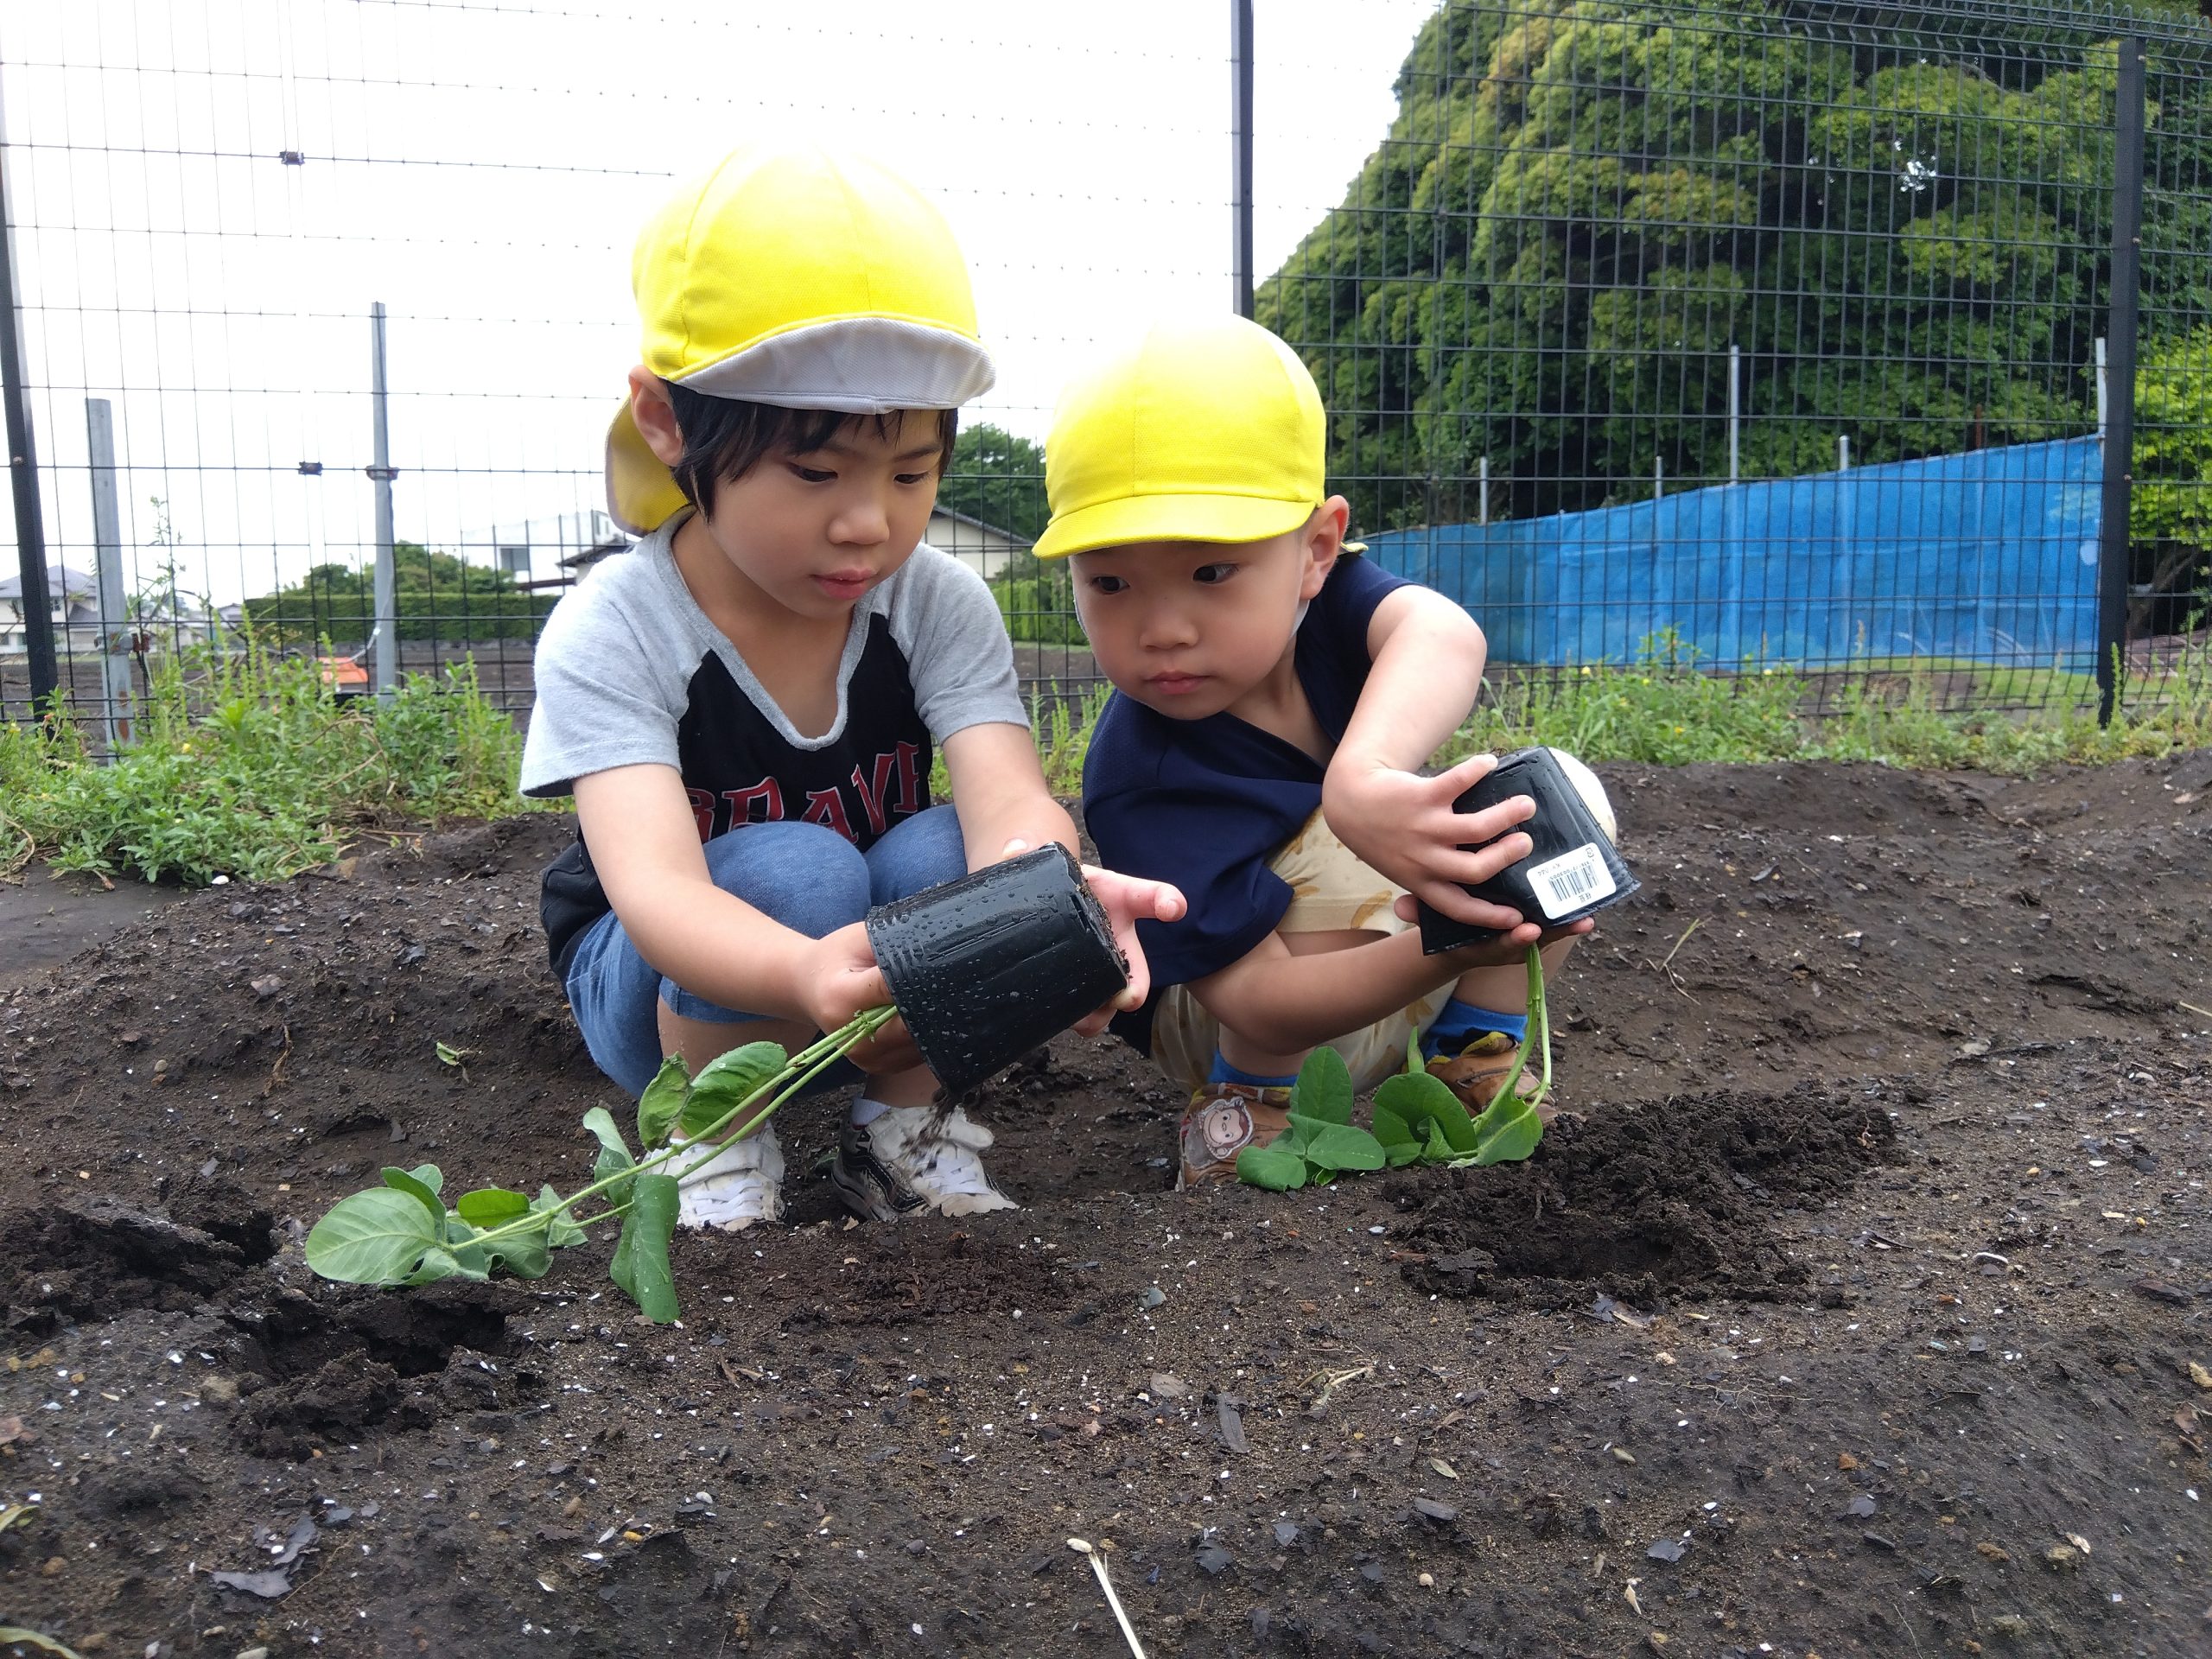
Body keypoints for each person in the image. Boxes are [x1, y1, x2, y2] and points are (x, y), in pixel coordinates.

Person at [520, 146, 1182, 1228]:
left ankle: (901, 1137)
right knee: (798, 863)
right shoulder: (618, 625)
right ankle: (710, 1146)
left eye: (912, 472)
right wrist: (804, 976)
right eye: (816, 473)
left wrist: (1048, 890)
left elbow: (1005, 799)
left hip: (861, 992)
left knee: (947, 859)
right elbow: (656, 893)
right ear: (667, 421)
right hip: (661, 985)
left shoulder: (933, 604)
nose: (868, 520)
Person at [1033, 314, 1615, 1187]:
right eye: (1109, 582)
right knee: (1333, 854)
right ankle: (1242, 1114)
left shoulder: (1335, 609)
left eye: (1210, 572)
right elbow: (1255, 998)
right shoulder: (1142, 770)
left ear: (1314, 550)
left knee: (1555, 792)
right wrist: (1457, 949)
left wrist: (1361, 776)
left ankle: (1474, 1054)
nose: (1162, 629)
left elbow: (1442, 631)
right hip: (1232, 1017)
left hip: (1390, 951)